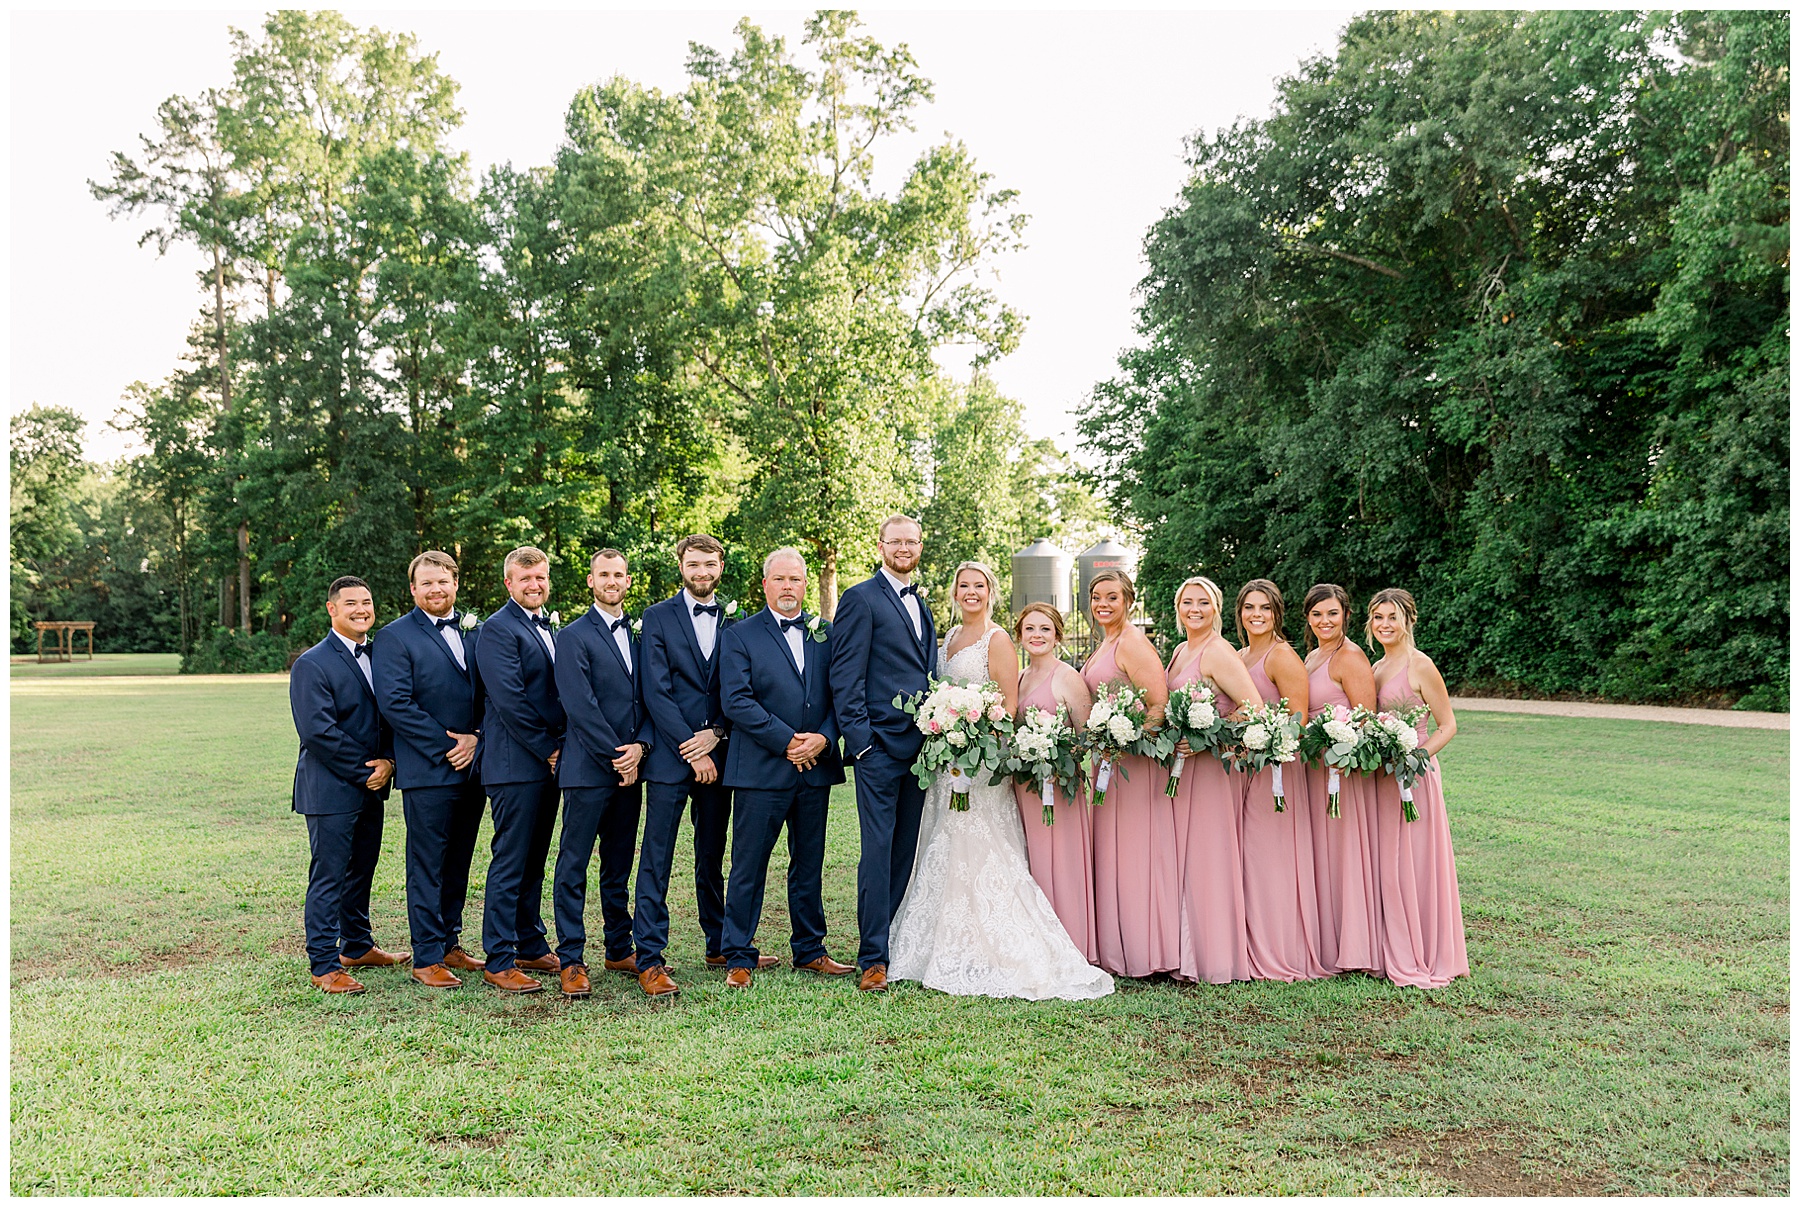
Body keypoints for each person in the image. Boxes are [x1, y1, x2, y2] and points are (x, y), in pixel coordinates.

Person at [888, 563, 1112, 1001]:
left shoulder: (999, 640)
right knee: (941, 844)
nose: (971, 592)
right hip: (944, 762)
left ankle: (999, 946)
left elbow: (1008, 708)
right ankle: (941, 942)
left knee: (982, 848)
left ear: (991, 592)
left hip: (981, 765)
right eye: (964, 585)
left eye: (979, 586)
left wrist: (969, 740)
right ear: (954, 591)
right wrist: (943, 729)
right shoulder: (946, 639)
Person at [715, 548, 855, 989]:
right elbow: (735, 700)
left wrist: (824, 738)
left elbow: (841, 695)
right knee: (748, 865)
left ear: (805, 583)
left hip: (814, 767)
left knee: (809, 862)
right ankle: (738, 952)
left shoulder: (825, 633)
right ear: (765, 585)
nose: (788, 587)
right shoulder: (739, 634)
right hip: (761, 769)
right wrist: (786, 741)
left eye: (795, 579)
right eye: (780, 579)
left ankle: (810, 949)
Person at [827, 514, 938, 993]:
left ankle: (891, 937)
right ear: (880, 546)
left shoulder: (923, 603)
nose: (903, 548)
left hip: (921, 750)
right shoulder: (859, 598)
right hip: (878, 749)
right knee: (876, 849)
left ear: (919, 546)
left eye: (911, 542)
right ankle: (872, 957)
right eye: (895, 542)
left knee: (903, 850)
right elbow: (844, 676)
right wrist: (862, 742)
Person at [373, 551, 487, 990]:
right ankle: (425, 955)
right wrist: (447, 744)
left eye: (443, 581)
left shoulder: (476, 632)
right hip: (428, 769)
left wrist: (476, 737)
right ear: (413, 590)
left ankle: (449, 942)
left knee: (459, 860)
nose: (436, 589)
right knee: (427, 863)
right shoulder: (394, 637)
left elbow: (489, 693)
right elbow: (396, 703)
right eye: (426, 583)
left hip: (473, 765)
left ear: (455, 584)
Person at [634, 533, 738, 998]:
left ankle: (718, 943)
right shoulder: (656, 617)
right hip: (669, 759)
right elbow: (655, 690)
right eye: (693, 564)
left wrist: (715, 735)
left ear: (721, 566)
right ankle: (650, 957)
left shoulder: (738, 621)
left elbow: (739, 687)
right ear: (681, 566)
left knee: (711, 855)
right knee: (657, 858)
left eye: (710, 564)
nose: (702, 572)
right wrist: (690, 748)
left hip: (720, 752)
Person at [289, 575, 404, 994]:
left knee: (361, 870)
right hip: (331, 788)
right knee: (330, 874)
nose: (361, 609)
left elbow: (390, 713)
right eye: (351, 603)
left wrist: (389, 761)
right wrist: (367, 769)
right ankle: (324, 963)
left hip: (373, 783)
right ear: (332, 609)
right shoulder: (312, 663)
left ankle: (357, 945)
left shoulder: (380, 655)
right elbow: (318, 731)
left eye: (367, 602)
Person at [549, 548, 653, 998]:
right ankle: (571, 958)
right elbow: (579, 706)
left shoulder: (642, 633)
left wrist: (642, 747)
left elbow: (651, 698)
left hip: (631, 769)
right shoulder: (572, 636)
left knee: (619, 863)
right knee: (573, 864)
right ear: (590, 582)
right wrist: (619, 755)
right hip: (589, 770)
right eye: (603, 574)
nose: (612, 581)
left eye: (619, 574)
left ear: (628, 582)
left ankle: (618, 946)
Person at [475, 546, 567, 994]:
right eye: (525, 579)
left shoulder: (550, 624)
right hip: (515, 764)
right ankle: (499, 957)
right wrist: (551, 750)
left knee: (534, 860)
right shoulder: (497, 630)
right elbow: (510, 701)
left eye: (541, 578)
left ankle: (530, 941)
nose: (535, 585)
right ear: (508, 583)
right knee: (510, 861)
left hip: (546, 765)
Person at [1367, 588, 1469, 988]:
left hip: (1414, 775)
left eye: (1392, 617)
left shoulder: (1420, 665)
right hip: (1381, 776)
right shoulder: (1376, 667)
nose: (1385, 625)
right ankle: (1392, 943)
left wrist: (1416, 756)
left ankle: (1424, 949)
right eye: (1378, 618)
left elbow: (1448, 725)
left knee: (1415, 861)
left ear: (1408, 619)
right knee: (1388, 863)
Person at [1166, 575, 1260, 985]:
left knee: (1209, 858)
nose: (1195, 609)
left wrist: (1208, 737)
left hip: (1211, 771)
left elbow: (1253, 707)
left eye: (1203, 602)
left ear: (1217, 608)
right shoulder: (1181, 649)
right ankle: (1185, 951)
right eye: (1188, 602)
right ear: (1178, 607)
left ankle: (1215, 959)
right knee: (1185, 859)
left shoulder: (1219, 652)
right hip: (1182, 772)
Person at [1082, 569, 1176, 979]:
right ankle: (1118, 948)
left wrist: (1124, 740)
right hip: (1108, 765)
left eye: (1112, 598)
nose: (1103, 604)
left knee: (1137, 856)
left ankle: (1146, 953)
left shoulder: (1134, 643)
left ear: (1129, 602)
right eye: (1097, 597)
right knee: (1114, 855)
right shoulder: (1107, 641)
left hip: (1133, 767)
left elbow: (1158, 708)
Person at [1234, 579, 1326, 981]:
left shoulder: (1281, 655)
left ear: (1276, 613)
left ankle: (1280, 948)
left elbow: (1299, 717)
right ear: (1239, 614)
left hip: (1276, 770)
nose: (1256, 615)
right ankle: (1252, 943)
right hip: (1244, 769)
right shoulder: (1239, 655)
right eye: (1249, 607)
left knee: (1272, 859)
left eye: (1264, 608)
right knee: (1250, 859)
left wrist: (1268, 742)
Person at [1012, 602, 1100, 964]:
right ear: (1019, 636)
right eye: (1030, 629)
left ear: (1057, 635)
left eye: (1045, 629)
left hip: (1058, 786)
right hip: (1025, 787)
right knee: (1032, 861)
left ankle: (1070, 942)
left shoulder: (1067, 677)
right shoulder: (1019, 677)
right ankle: (1037, 943)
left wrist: (1054, 754)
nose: (1037, 635)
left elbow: (1088, 736)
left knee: (1059, 863)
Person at [1302, 582, 1381, 977]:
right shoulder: (1314, 655)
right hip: (1314, 769)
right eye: (1317, 614)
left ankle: (1354, 947)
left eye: (1332, 613)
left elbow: (1366, 719)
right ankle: (1327, 939)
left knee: (1344, 854)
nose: (1324, 621)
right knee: (1323, 855)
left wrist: (1339, 744)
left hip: (1342, 773)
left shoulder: (1351, 657)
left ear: (1346, 615)